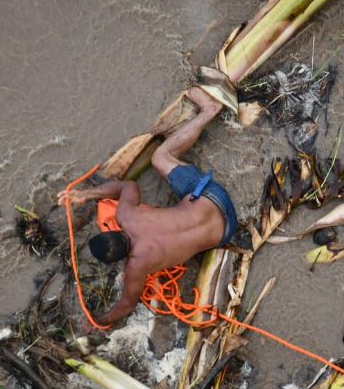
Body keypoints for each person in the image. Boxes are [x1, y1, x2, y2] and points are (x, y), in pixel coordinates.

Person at [58, 87, 237, 329]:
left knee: (161, 162)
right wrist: (85, 195)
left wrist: (96, 322)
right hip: (212, 197)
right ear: (112, 230)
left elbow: (126, 305)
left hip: (227, 230)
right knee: (160, 157)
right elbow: (127, 187)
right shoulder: (127, 216)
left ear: (120, 261)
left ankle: (210, 110)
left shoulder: (137, 265)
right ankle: (207, 110)